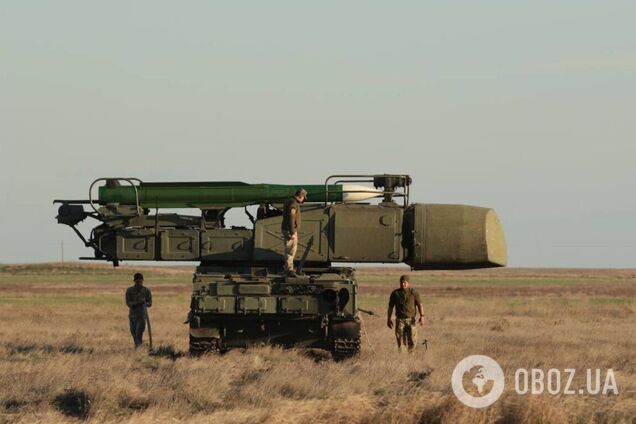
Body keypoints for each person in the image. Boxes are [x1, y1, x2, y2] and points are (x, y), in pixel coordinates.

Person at [387, 275, 425, 352]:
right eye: (401, 282)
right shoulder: (395, 293)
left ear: (408, 283)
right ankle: (403, 359)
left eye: (405, 282)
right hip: (400, 320)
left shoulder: (414, 293)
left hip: (411, 320)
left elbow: (420, 305)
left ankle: (411, 359)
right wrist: (389, 319)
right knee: (400, 341)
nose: (403, 284)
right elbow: (390, 307)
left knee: (413, 341)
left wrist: (422, 316)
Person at [281, 187, 307, 277]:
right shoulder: (293, 204)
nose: (303, 199)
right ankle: (289, 270)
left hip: (288, 229)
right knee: (290, 250)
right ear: (300, 196)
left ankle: (289, 269)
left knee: (291, 249)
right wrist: (292, 232)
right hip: (290, 230)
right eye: (304, 197)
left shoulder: (289, 201)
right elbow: (291, 219)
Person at [125, 272, 152, 349]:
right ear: (134, 281)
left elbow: (150, 303)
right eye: (137, 282)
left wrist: (144, 303)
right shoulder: (129, 290)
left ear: (142, 281)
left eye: (140, 281)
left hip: (142, 315)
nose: (139, 283)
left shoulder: (146, 290)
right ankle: (138, 347)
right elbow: (128, 303)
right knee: (133, 333)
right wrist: (136, 303)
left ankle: (138, 348)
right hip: (132, 316)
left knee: (139, 333)